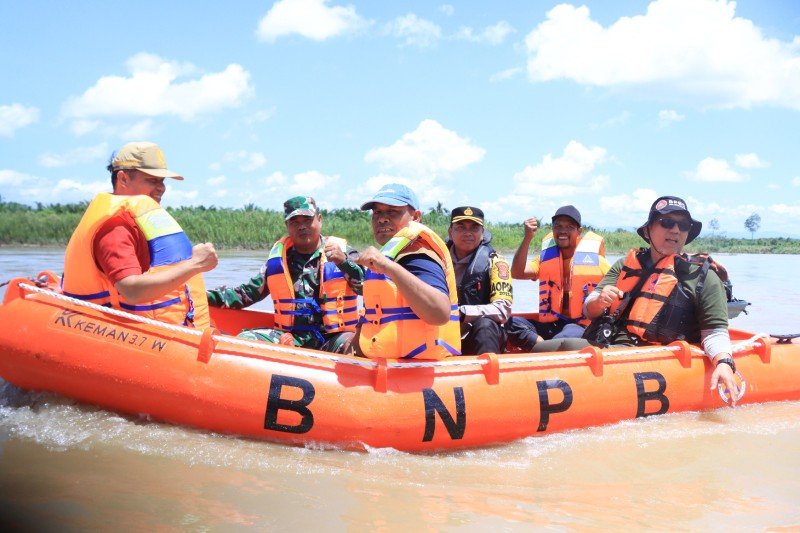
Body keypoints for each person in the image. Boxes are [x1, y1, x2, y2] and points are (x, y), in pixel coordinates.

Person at [583, 195, 740, 404]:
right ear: (648, 230)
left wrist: (724, 362)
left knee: (565, 347)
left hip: (659, 360)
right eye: (666, 222)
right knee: (559, 346)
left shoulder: (704, 277)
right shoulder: (624, 265)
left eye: (683, 225)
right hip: (612, 349)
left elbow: (714, 333)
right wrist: (599, 301)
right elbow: (588, 310)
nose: (675, 230)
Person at [62, 141, 217, 329]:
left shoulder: (138, 220)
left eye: (162, 181)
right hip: (117, 334)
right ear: (123, 179)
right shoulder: (115, 228)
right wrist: (195, 264)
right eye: (152, 180)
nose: (162, 188)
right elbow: (132, 291)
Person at [206, 196, 364, 353]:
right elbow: (246, 294)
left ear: (319, 219)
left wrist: (344, 263)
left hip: (334, 337)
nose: (301, 226)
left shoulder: (343, 252)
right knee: (246, 338)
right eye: (294, 222)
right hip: (290, 337)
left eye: (307, 220)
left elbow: (366, 288)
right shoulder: (277, 261)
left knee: (356, 346)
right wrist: (203, 296)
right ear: (287, 226)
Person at [354, 183, 461, 359]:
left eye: (392, 211)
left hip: (418, 370)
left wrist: (389, 267)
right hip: (391, 366)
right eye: (378, 212)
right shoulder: (394, 254)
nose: (382, 219)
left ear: (416, 217)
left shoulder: (418, 254)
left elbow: (440, 313)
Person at [507, 205, 610, 351]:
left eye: (569, 227)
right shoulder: (545, 259)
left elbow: (617, 288)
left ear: (579, 231)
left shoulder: (598, 261)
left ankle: (545, 348)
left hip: (580, 326)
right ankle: (542, 346)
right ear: (553, 230)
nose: (563, 231)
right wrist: (527, 238)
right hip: (553, 324)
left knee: (566, 337)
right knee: (509, 323)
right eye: (558, 226)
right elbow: (517, 273)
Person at [446, 206, 512, 355]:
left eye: (474, 228)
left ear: (482, 234)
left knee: (485, 326)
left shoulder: (497, 263)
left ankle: (488, 376)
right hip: (442, 332)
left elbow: (503, 309)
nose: (468, 233)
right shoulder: (435, 260)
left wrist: (462, 313)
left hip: (475, 334)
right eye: (461, 227)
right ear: (451, 232)